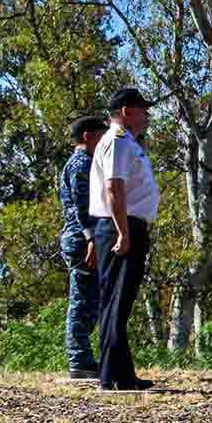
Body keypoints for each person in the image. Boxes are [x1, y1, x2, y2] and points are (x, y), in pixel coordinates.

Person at [89, 88, 159, 392]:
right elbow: (113, 188)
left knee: (119, 302)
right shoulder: (117, 141)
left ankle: (118, 374)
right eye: (143, 109)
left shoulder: (126, 141)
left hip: (127, 224)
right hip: (122, 224)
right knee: (116, 301)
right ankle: (114, 377)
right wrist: (123, 232)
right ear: (127, 110)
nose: (146, 115)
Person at [58, 113, 110, 380]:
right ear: (88, 135)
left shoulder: (86, 162)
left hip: (83, 237)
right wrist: (91, 238)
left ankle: (84, 359)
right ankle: (79, 360)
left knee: (90, 300)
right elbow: (82, 205)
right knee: (81, 300)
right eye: (101, 134)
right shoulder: (81, 163)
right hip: (81, 239)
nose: (104, 140)